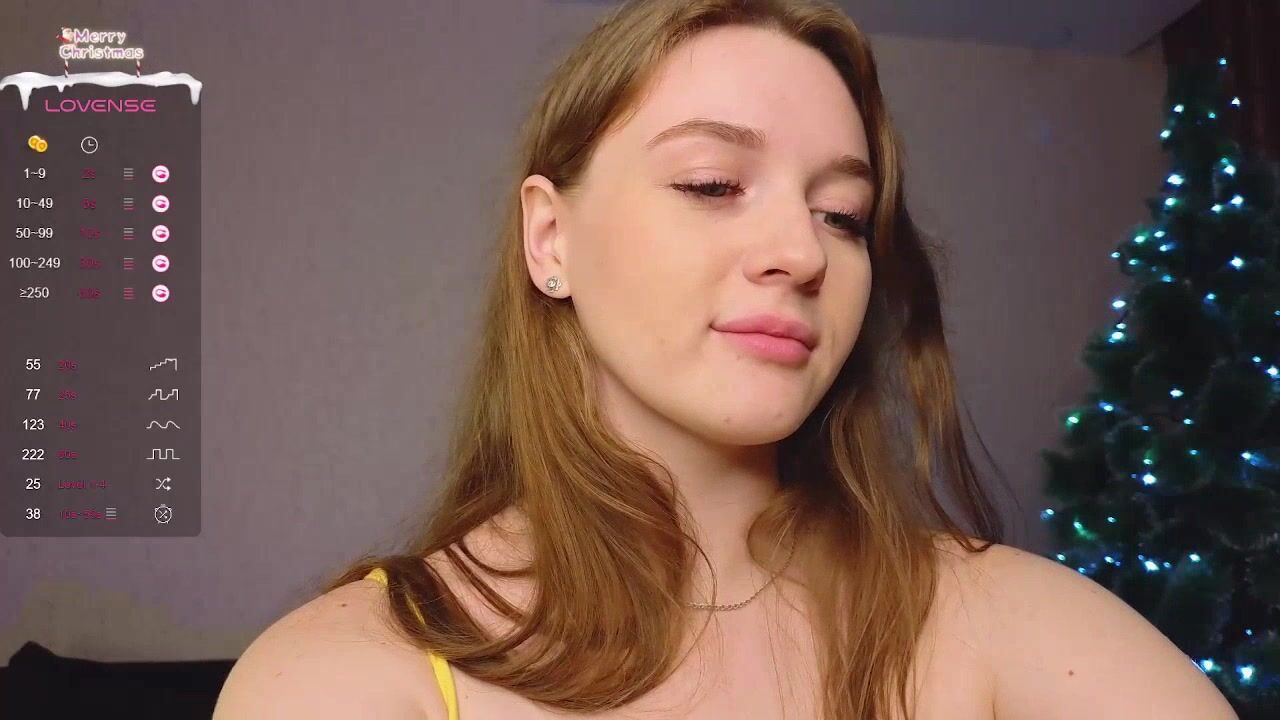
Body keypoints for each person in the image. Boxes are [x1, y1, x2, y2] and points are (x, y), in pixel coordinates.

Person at [213, 0, 1240, 718]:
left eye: (842, 214)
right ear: (549, 239)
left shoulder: (1007, 620)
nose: (803, 253)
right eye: (711, 184)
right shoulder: (348, 675)